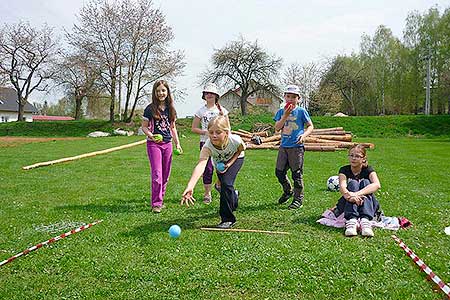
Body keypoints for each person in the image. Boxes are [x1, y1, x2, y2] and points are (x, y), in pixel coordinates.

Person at [181, 115, 245, 229]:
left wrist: (229, 164)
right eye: (211, 132)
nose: (214, 135)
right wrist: (190, 186)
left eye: (218, 132)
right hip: (220, 163)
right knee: (226, 187)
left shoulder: (235, 140)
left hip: (236, 159)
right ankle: (234, 196)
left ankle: (227, 219)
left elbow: (239, 151)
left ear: (226, 132)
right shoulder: (207, 146)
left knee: (226, 183)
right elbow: (201, 165)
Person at [141, 80, 182, 213]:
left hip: (168, 144)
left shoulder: (171, 109)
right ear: (154, 93)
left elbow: (173, 128)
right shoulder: (150, 109)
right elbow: (144, 127)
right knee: (157, 175)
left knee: (165, 175)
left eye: (163, 90)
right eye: (158, 91)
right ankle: (156, 204)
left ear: (167, 92)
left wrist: (178, 144)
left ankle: (161, 199)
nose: (161, 93)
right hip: (154, 144)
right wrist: (151, 135)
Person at [273, 85, 314, 209]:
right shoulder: (281, 111)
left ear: (298, 99)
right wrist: (285, 115)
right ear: (284, 97)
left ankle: (298, 199)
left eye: (293, 97)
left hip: (296, 147)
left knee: (296, 174)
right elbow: (277, 128)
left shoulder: (301, 111)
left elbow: (310, 126)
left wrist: (304, 135)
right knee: (279, 172)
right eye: (288, 96)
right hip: (284, 146)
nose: (290, 99)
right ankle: (287, 191)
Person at [191, 83, 230, 204]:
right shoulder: (200, 111)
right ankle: (207, 193)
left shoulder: (222, 111)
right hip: (205, 143)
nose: (209, 95)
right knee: (207, 169)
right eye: (207, 93)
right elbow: (193, 128)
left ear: (216, 96)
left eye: (212, 93)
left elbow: (228, 127)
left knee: (221, 167)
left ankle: (219, 185)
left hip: (221, 145)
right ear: (204, 95)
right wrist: (205, 132)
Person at [335, 144, 381, 237]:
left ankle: (365, 221)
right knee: (353, 183)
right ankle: (351, 221)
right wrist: (350, 196)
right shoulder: (344, 170)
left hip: (367, 202)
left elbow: (377, 185)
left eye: (357, 156)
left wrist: (356, 194)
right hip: (348, 201)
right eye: (351, 155)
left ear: (363, 158)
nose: (353, 158)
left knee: (366, 182)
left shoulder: (368, 169)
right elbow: (343, 187)